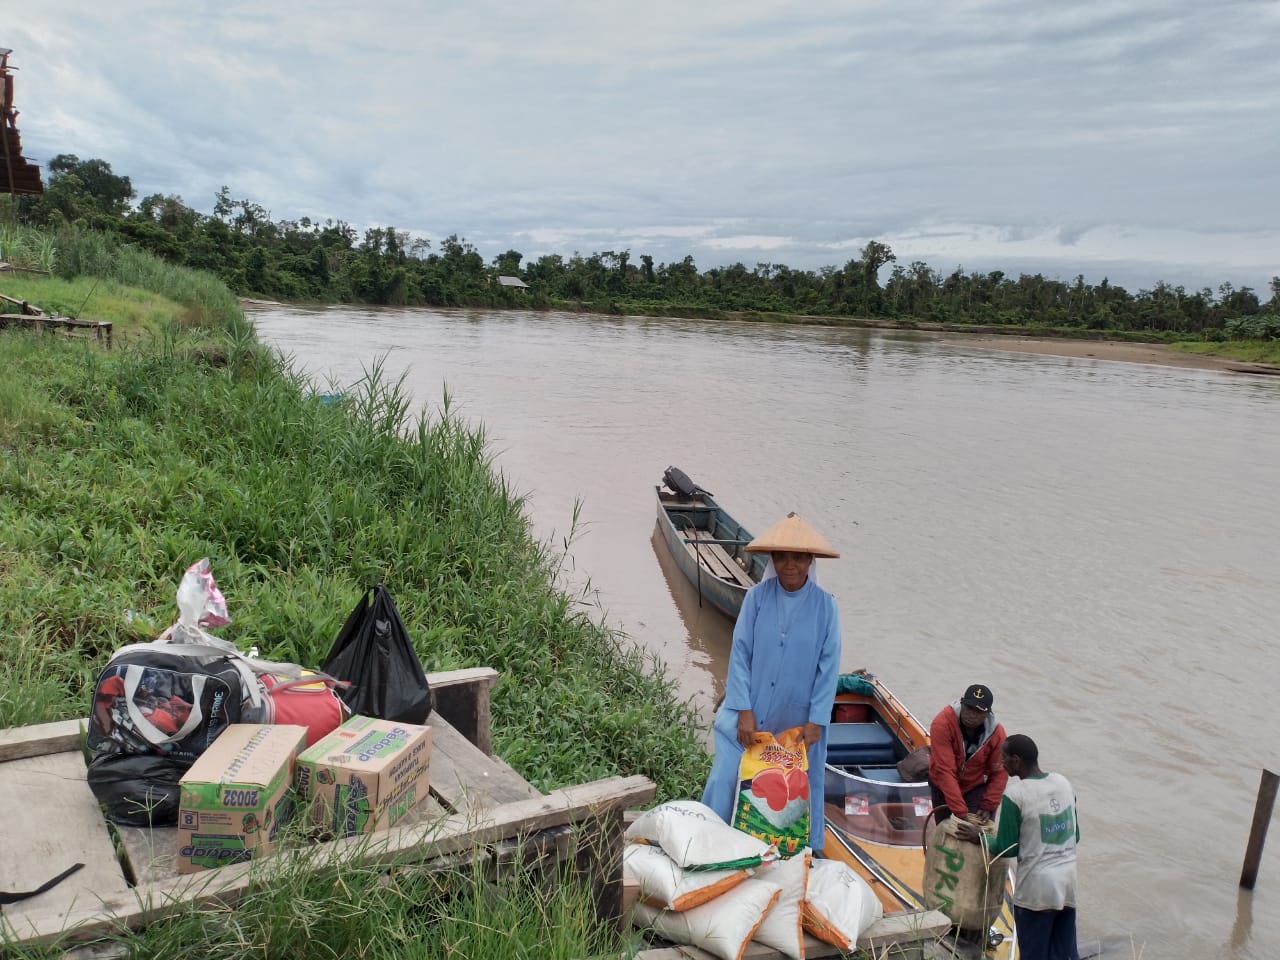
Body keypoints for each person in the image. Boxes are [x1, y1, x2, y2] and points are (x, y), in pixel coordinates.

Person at [701, 512, 842, 852]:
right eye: (781, 556)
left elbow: (829, 666)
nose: (789, 565)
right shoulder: (756, 599)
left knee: (797, 785)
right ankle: (712, 840)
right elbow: (740, 655)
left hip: (798, 719)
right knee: (727, 775)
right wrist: (743, 709)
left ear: (810, 560)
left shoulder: (826, 607)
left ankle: (794, 849)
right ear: (772, 559)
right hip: (753, 707)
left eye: (797, 557)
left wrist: (816, 720)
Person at [958, 734, 1080, 960]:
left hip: (1037, 891)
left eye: (1003, 757)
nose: (1001, 763)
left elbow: (1007, 847)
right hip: (1067, 883)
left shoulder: (1016, 795)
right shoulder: (1063, 783)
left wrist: (980, 836)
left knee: (1034, 953)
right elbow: (1076, 836)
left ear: (1016, 760)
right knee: (1065, 953)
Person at [928, 682, 1007, 824]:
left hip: (974, 786)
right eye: (969, 708)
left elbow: (1000, 772)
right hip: (941, 784)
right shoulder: (942, 724)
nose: (971, 715)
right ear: (962, 704)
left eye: (978, 711)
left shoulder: (998, 734)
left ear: (987, 714)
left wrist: (989, 804)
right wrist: (961, 813)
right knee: (945, 830)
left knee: (977, 836)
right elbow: (945, 770)